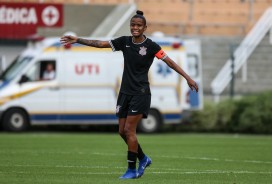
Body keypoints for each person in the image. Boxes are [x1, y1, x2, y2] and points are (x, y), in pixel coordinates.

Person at [60, 10, 198, 179]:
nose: (135, 28)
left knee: (129, 130)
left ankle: (131, 170)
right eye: (133, 25)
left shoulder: (152, 46)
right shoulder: (124, 42)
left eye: (139, 25)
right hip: (125, 92)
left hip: (140, 93)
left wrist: (188, 78)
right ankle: (143, 158)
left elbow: (169, 62)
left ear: (145, 27)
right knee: (121, 131)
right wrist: (78, 40)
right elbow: (100, 44)